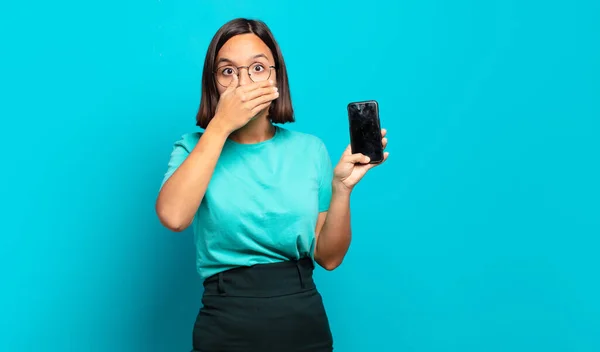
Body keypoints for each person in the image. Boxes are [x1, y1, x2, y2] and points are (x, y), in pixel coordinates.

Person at [155, 18, 388, 352]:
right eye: (228, 72)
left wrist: (342, 190)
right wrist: (220, 125)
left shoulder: (309, 150)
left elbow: (329, 257)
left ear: (277, 77)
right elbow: (174, 217)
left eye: (258, 68)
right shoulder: (193, 148)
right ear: (213, 85)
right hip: (225, 319)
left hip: (301, 319)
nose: (244, 82)